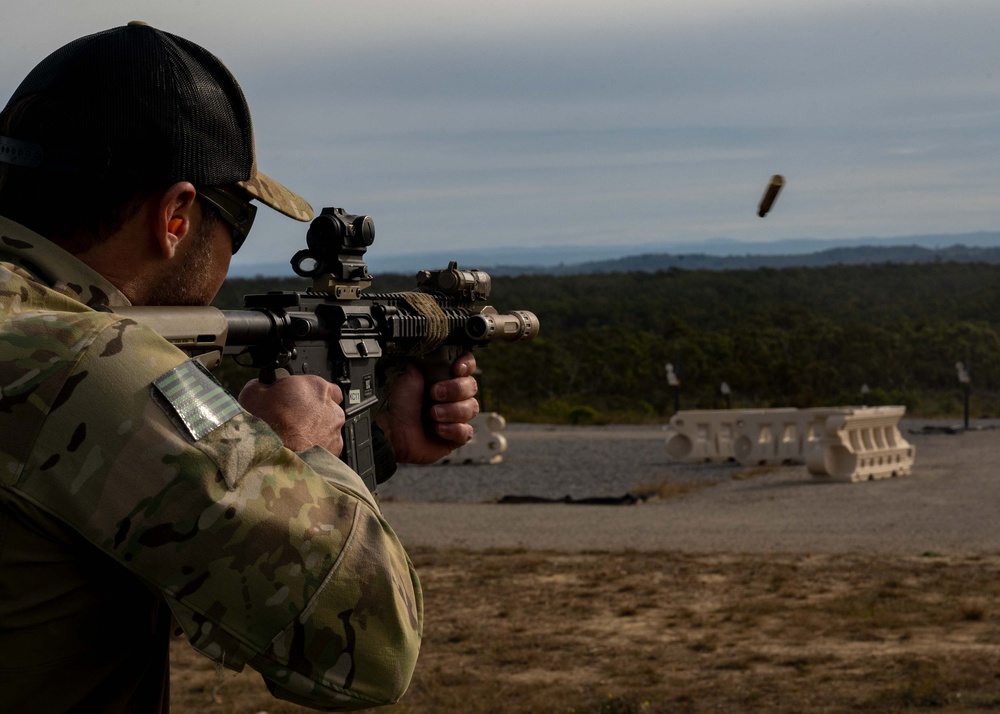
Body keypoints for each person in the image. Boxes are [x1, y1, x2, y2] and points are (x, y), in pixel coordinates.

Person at [0, 21, 479, 712]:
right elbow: (371, 642)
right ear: (175, 217)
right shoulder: (82, 367)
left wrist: (371, 439)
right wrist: (299, 453)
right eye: (238, 219)